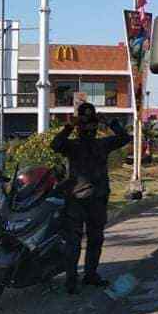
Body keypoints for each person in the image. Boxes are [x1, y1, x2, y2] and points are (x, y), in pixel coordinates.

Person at [51, 102, 131, 294]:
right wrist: (71, 125)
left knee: (89, 240)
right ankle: (75, 278)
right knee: (79, 241)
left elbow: (124, 138)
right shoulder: (76, 145)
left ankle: (86, 276)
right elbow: (55, 145)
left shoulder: (99, 144)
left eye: (91, 123)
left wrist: (108, 121)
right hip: (81, 199)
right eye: (85, 123)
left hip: (92, 198)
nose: (88, 128)